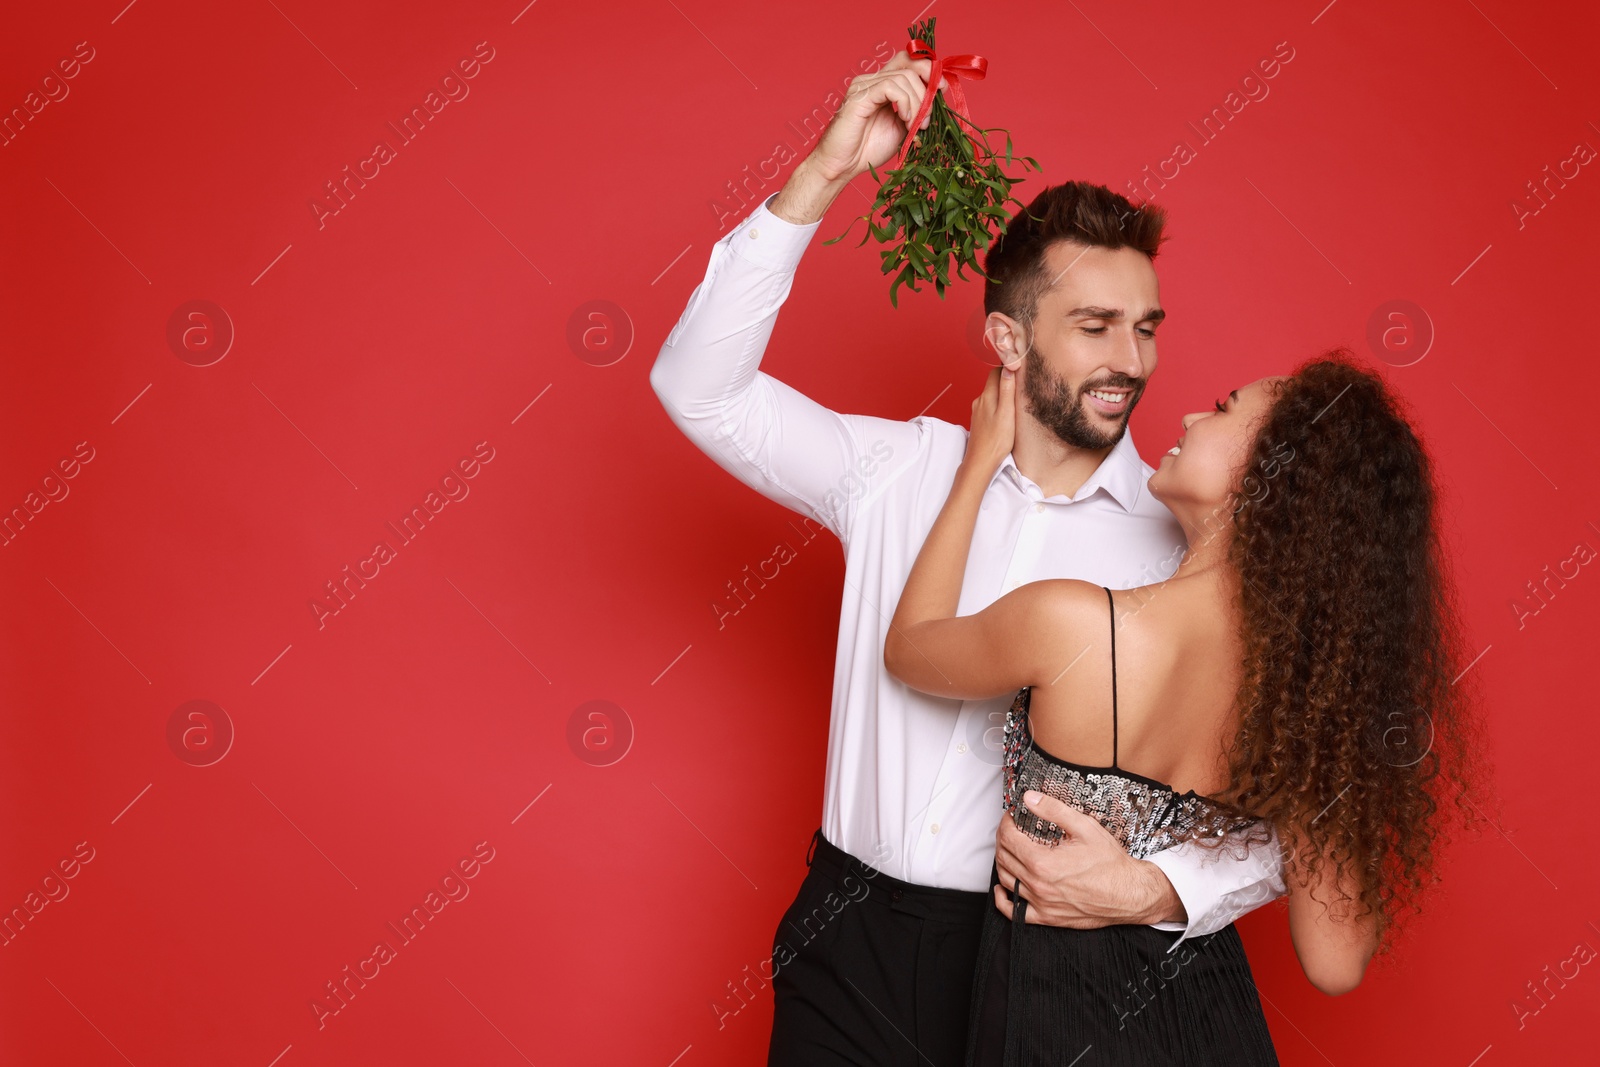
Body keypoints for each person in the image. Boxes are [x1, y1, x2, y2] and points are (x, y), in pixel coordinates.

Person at [650, 49, 1288, 1065]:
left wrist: (1166, 887)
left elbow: (1311, 804)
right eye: (1093, 326)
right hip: (844, 936)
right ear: (1007, 336)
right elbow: (698, 387)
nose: (1131, 360)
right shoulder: (895, 468)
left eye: (1145, 328)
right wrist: (821, 175)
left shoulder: (1185, 547)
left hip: (1048, 965)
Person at [884, 356, 1478, 1065]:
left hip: (1050, 1020)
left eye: (1224, 408)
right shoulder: (1306, 707)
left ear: (1272, 475)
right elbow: (1335, 960)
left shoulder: (1070, 622)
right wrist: (1168, 893)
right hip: (1210, 1021)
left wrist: (977, 466)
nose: (1193, 417)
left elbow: (909, 649)